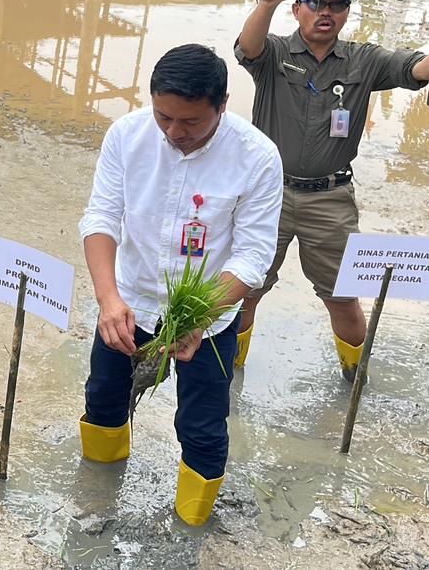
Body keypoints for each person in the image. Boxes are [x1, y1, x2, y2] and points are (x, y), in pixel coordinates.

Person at [78, 44, 282, 526]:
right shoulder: (127, 135)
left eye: (190, 122)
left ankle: (191, 526)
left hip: (208, 321)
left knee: (204, 427)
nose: (175, 132)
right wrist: (109, 300)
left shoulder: (256, 156)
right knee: (103, 400)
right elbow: (102, 218)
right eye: (163, 117)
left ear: (222, 105)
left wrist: (201, 315)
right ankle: (97, 499)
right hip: (130, 304)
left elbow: (254, 255)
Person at [234, 0, 429, 379]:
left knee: (341, 297)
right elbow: (247, 48)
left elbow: (422, 71)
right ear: (296, 8)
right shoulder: (275, 53)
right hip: (268, 195)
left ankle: (355, 378)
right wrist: (265, 2)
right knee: (244, 292)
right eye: (316, 3)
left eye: (336, 4)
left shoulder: (365, 60)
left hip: (331, 199)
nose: (326, 12)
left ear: (347, 13)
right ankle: (226, 378)